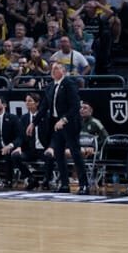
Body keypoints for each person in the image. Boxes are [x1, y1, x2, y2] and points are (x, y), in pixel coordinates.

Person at [43, 61, 89, 194]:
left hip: (70, 124)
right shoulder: (51, 86)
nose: (53, 71)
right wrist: (33, 122)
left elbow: (75, 106)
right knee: (58, 154)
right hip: (56, 125)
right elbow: (44, 107)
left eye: (56, 68)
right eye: (52, 69)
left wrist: (64, 119)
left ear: (63, 71)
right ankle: (64, 184)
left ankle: (84, 185)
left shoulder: (69, 83)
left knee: (75, 154)